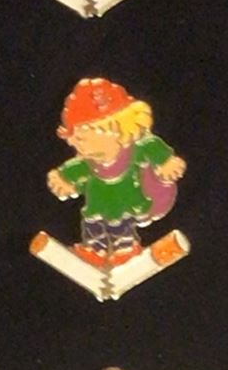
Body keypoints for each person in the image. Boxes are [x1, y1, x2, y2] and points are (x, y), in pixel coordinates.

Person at [47, 79, 185, 269]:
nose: (74, 143)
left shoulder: (137, 151)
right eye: (74, 138)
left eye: (81, 138)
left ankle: (125, 251)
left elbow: (153, 149)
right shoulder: (87, 164)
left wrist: (167, 163)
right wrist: (62, 181)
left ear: (113, 130)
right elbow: (72, 173)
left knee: (120, 228)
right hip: (96, 209)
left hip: (126, 206)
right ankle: (95, 251)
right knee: (93, 226)